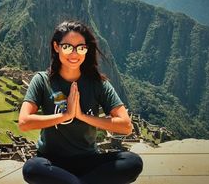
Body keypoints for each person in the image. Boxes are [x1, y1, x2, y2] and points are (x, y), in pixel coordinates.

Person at [19, 20, 143, 184]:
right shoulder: (42, 81)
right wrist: (66, 115)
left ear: (86, 50)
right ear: (57, 47)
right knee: (31, 168)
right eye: (68, 47)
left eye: (81, 48)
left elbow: (126, 126)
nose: (74, 53)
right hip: (51, 161)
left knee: (133, 162)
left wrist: (82, 116)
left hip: (88, 160)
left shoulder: (98, 84)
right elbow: (24, 122)